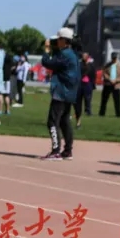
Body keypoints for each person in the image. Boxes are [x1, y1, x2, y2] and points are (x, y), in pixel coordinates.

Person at [40, 28, 80, 160]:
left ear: (64, 40)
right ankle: (67, 151)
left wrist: (46, 50)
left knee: (52, 121)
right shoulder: (71, 53)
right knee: (64, 121)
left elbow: (47, 63)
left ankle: (56, 151)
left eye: (58, 39)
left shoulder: (65, 54)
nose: (56, 42)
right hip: (69, 92)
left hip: (61, 92)